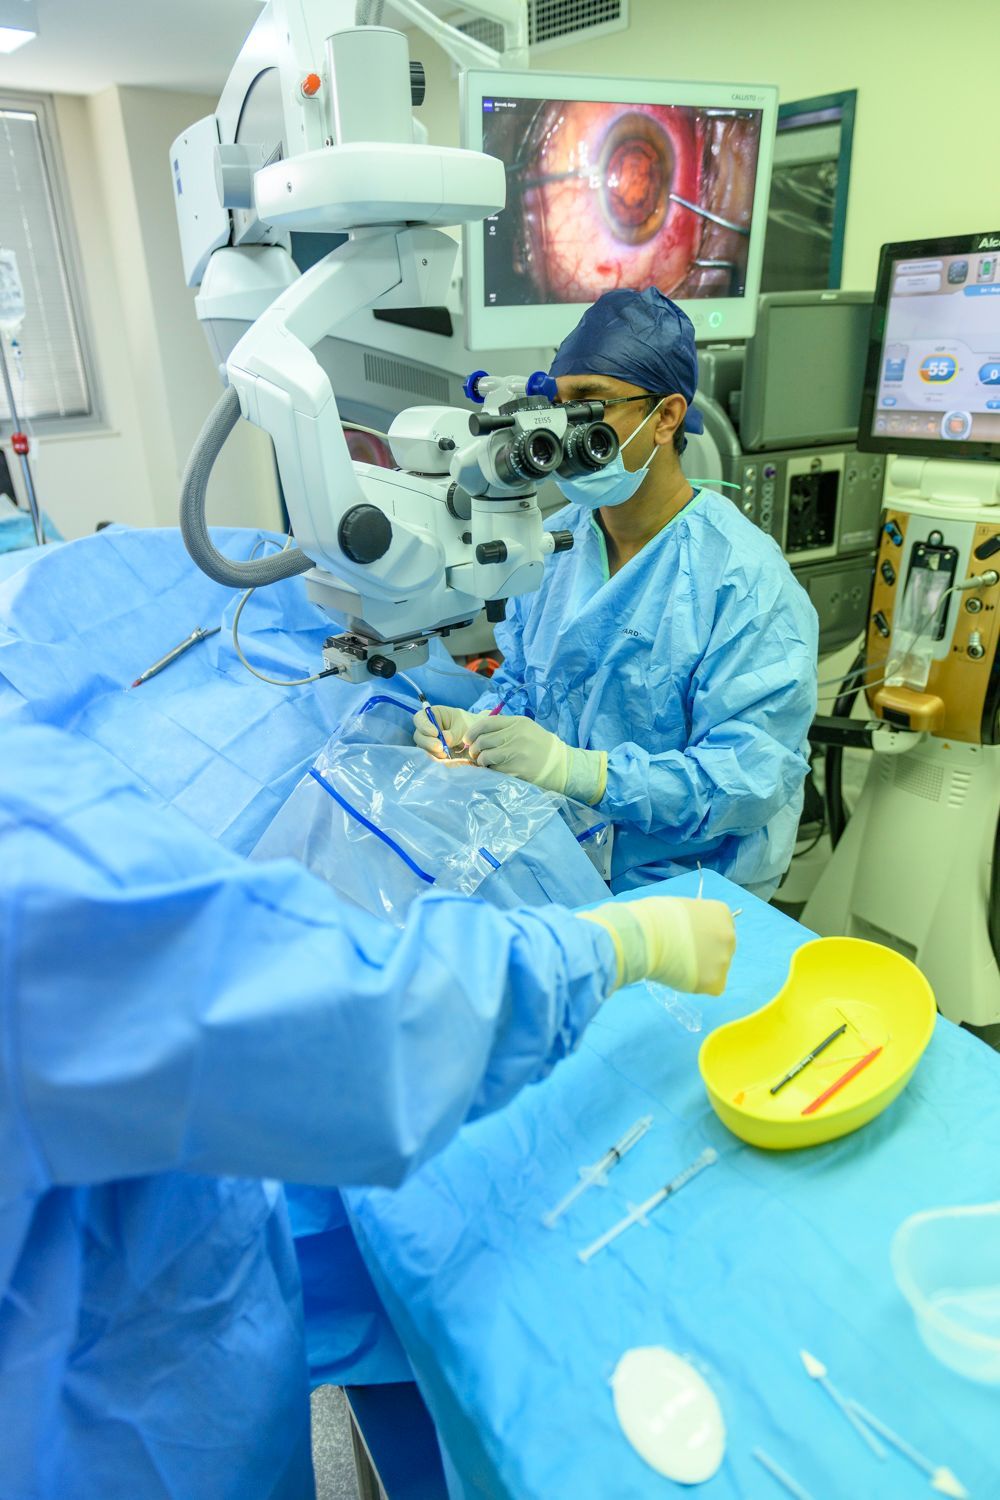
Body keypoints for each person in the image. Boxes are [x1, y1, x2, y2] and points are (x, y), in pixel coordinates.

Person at [0, 721, 734, 1500]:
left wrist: (542, 753)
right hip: (107, 1435)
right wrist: (615, 946)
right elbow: (368, 1031)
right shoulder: (31, 872)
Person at [415, 288, 819, 899]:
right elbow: (527, 684)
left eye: (590, 404)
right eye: (558, 405)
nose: (565, 427)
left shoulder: (744, 582)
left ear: (666, 416)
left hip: (687, 886)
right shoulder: (551, 544)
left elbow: (749, 779)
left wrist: (580, 772)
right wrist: (481, 728)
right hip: (559, 852)